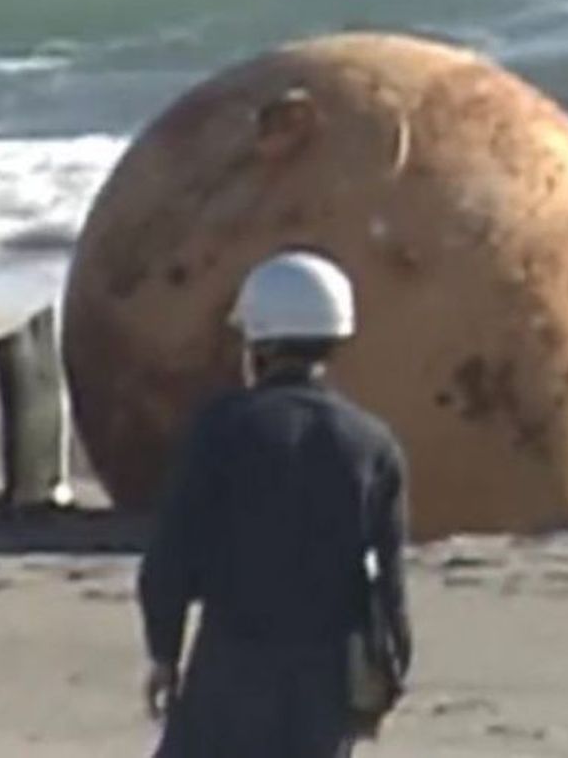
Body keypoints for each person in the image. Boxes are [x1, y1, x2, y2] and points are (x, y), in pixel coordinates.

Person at [138, 250, 412, 758]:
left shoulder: (222, 427)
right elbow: (387, 583)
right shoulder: (373, 443)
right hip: (326, 676)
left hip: (229, 663)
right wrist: (387, 672)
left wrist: (163, 653)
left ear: (257, 344)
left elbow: (171, 556)